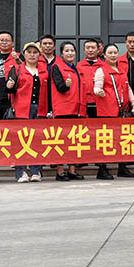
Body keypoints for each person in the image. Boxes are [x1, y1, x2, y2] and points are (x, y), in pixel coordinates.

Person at [94, 44, 134, 179]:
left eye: (115, 52)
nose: (113, 55)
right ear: (104, 55)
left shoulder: (121, 70)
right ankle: (102, 169)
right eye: (110, 53)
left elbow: (128, 88)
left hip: (122, 111)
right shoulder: (101, 70)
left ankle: (122, 167)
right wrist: (98, 91)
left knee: (122, 139)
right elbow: (97, 86)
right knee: (106, 140)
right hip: (107, 111)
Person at [5, 42, 49, 183]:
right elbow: (9, 89)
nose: (32, 55)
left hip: (40, 109)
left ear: (39, 55)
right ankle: (21, 172)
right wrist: (9, 86)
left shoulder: (44, 71)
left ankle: (36, 171)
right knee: (21, 140)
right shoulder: (17, 69)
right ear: (24, 54)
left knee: (37, 140)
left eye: (35, 52)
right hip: (22, 109)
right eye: (29, 52)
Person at [51, 41, 86, 181]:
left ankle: (72, 170)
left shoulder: (76, 69)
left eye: (72, 50)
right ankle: (60, 172)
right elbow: (59, 87)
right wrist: (66, 85)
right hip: (63, 110)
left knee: (74, 141)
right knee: (62, 141)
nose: (70, 53)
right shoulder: (57, 67)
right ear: (61, 53)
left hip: (77, 110)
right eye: (67, 51)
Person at [77, 39, 102, 118]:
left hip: (100, 102)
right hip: (83, 102)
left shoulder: (104, 66)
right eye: (88, 48)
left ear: (98, 50)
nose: (90, 50)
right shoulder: (78, 66)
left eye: (93, 48)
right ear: (84, 50)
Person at [38, 34, 61, 117]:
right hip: (40, 97)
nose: (47, 46)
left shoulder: (61, 62)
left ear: (54, 47)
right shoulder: (35, 62)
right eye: (44, 44)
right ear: (40, 47)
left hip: (57, 97)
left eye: (50, 43)